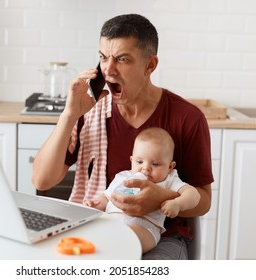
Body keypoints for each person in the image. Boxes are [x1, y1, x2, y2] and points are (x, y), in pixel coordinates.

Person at [32, 14, 213, 260]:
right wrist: (69, 114)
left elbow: (203, 202)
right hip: (100, 228)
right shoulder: (90, 111)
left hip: (161, 238)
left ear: (150, 65)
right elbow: (42, 181)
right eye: (103, 57)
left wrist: (162, 198)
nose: (108, 69)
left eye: (122, 59)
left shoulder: (187, 118)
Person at [84, 127, 200, 253]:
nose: (145, 168)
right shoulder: (123, 177)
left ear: (170, 166)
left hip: (145, 230)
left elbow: (194, 195)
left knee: (130, 235)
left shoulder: (168, 180)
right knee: (91, 229)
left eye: (155, 164)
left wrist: (178, 203)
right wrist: (95, 205)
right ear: (131, 160)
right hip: (111, 224)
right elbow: (106, 198)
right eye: (139, 162)